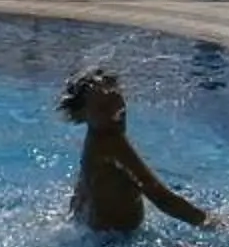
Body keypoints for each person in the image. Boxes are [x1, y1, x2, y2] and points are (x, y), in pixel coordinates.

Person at [58, 68, 211, 234]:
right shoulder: (111, 142)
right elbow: (159, 196)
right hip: (115, 243)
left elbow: (81, 193)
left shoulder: (94, 140)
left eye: (118, 102)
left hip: (97, 238)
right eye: (103, 108)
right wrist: (207, 221)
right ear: (81, 116)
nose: (115, 113)